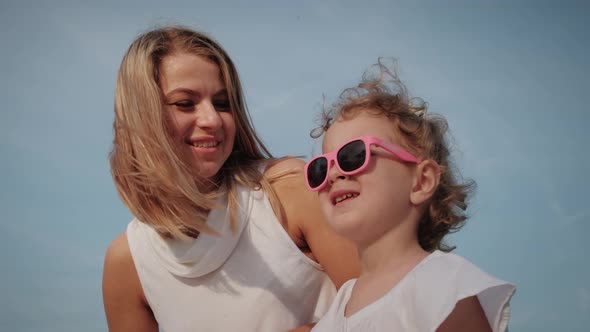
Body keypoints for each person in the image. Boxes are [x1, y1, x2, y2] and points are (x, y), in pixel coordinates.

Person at [102, 26, 359, 332]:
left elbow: (387, 308)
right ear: (140, 115)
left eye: (223, 104)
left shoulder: (289, 191)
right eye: (185, 103)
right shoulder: (126, 261)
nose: (212, 119)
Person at [306, 60, 516, 332]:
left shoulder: (443, 284)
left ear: (421, 182)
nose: (333, 175)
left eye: (353, 156)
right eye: (320, 168)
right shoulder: (335, 311)